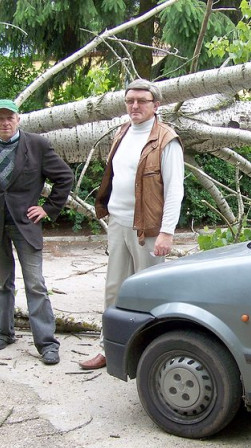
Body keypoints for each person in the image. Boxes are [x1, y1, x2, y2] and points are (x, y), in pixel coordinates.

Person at [78, 79, 184, 370]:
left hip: (149, 230)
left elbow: (175, 189)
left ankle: (152, 357)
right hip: (118, 224)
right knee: (114, 290)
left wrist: (166, 232)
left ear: (156, 105)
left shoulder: (166, 140)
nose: (135, 106)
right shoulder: (123, 132)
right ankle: (108, 349)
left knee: (150, 293)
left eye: (142, 101)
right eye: (130, 101)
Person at [0, 99, 74, 365]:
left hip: (25, 224)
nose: (5, 122)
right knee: (3, 283)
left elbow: (64, 177)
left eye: (9, 117)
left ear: (18, 119)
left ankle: (47, 344)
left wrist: (48, 208)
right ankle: (4, 333)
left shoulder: (37, 145)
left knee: (35, 284)